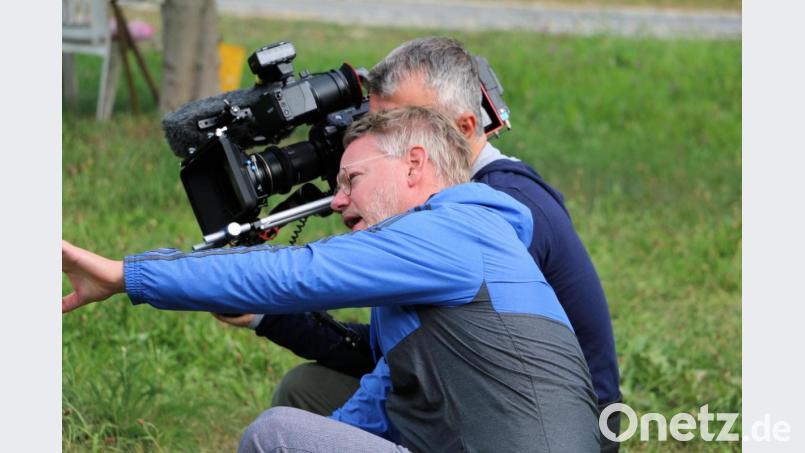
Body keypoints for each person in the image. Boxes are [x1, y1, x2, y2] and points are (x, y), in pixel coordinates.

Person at [63, 106, 600, 452]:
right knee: (302, 424)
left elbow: (297, 273)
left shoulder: (458, 230)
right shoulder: (415, 291)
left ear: (415, 166)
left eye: (352, 179)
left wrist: (126, 275)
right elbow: (372, 414)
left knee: (278, 436)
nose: (338, 200)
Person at [218, 36, 623, 451]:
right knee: (308, 389)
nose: (379, 138)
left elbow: (414, 364)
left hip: (544, 432)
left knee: (282, 431)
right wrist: (266, 316)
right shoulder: (446, 194)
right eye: (373, 122)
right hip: (475, 398)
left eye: (400, 125)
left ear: (465, 127)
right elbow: (402, 352)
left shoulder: (500, 211)